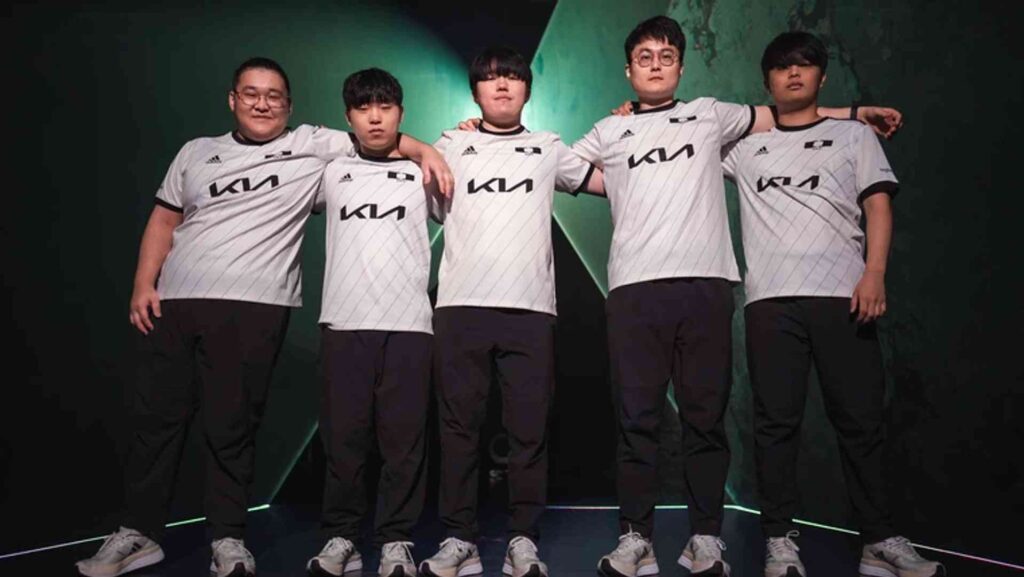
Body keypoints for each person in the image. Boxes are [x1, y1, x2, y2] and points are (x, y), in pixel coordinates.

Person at [76, 57, 451, 577]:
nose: (262, 103)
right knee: (156, 423)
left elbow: (383, 135)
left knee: (231, 429)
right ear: (232, 99)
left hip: (256, 306)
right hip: (176, 302)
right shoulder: (196, 152)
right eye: (251, 93)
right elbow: (165, 217)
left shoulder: (312, 147)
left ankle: (229, 539)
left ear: (289, 106)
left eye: (273, 96)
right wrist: (144, 282)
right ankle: (139, 533)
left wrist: (428, 149)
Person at [571, 16, 902, 577]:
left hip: (721, 289)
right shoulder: (615, 130)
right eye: (645, 57)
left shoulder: (711, 116)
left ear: (681, 66)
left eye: (667, 55)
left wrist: (855, 112)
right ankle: (641, 540)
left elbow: (786, 115)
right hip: (655, 293)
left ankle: (710, 538)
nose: (656, 64)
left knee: (714, 420)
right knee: (646, 422)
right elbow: (568, 170)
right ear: (628, 70)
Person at [720, 31, 944, 577]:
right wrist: (633, 111)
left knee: (861, 421)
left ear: (821, 76)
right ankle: (778, 541)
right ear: (767, 82)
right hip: (771, 302)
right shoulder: (744, 147)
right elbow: (686, 137)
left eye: (804, 65)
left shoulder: (854, 136)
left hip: (844, 296)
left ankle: (878, 541)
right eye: (782, 67)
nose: (794, 74)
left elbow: (878, 207)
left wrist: (875, 273)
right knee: (776, 426)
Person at [418, 46, 604, 577]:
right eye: (492, 78)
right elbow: (413, 175)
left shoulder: (548, 147)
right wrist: (431, 145)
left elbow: (610, 181)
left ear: (527, 89)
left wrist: (632, 121)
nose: (502, 85)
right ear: (475, 92)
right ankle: (459, 540)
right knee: (458, 430)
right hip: (460, 307)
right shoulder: (449, 145)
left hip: (530, 310)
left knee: (528, 432)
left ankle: (524, 539)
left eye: (513, 77)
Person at [304, 67, 436, 577]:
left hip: (409, 327)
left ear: (401, 113)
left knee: (404, 444)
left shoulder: (425, 172)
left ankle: (396, 540)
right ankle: (342, 538)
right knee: (344, 442)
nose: (375, 117)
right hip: (344, 324)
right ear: (348, 117)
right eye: (363, 108)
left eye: (385, 106)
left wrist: (427, 150)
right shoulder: (330, 171)